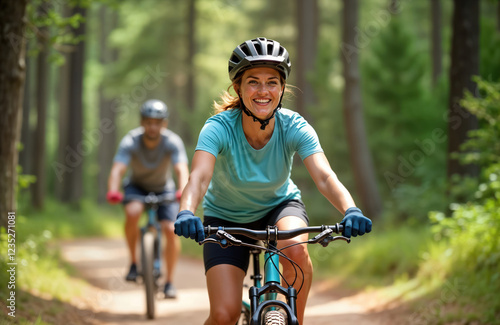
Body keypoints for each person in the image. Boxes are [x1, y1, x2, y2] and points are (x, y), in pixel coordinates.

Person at [174, 37, 372, 324]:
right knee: (223, 314)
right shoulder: (218, 127)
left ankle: (296, 321)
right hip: (225, 219)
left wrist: (350, 209)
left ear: (282, 88)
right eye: (253, 81)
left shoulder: (294, 126)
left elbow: (325, 177)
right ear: (238, 88)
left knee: (295, 248)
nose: (263, 91)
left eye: (272, 82)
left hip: (279, 208)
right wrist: (186, 211)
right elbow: (200, 176)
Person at [107, 99, 189, 299]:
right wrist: (113, 189)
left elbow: (181, 169)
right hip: (137, 187)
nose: (153, 126)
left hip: (165, 189)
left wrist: (183, 190)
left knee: (170, 229)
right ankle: (134, 263)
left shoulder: (172, 141)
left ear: (164, 124)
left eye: (157, 122)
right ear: (142, 122)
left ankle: (169, 281)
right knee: (133, 212)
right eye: (149, 122)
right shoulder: (131, 140)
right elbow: (118, 168)